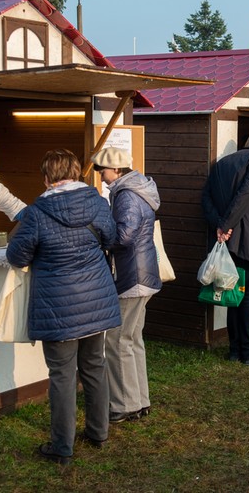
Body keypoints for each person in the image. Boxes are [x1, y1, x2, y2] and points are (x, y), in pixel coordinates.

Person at [6, 149, 121, 465]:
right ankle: (99, 432)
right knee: (94, 365)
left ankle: (62, 447)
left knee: (62, 374)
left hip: (58, 307)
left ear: (46, 178)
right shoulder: (97, 202)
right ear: (78, 174)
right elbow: (110, 238)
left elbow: (16, 256)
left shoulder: (36, 213)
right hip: (96, 301)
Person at [90, 147, 161, 423]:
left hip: (131, 276)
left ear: (116, 170)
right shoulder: (139, 189)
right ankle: (140, 400)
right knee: (133, 340)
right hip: (144, 275)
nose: (101, 177)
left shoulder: (126, 194)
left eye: (103, 171)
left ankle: (123, 404)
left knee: (118, 341)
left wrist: (99, 233)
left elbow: (124, 235)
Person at [201, 132, 249, 366]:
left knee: (235, 293)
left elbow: (206, 198)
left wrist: (220, 224)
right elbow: (247, 193)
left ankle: (235, 349)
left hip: (228, 239)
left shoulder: (222, 163)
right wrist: (227, 224)